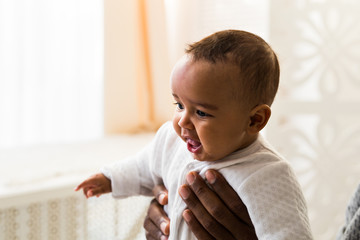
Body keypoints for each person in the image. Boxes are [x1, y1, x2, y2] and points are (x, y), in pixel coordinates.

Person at [75, 30, 313, 239]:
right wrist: (110, 178)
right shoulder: (171, 140)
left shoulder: (268, 176)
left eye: (201, 112)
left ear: (254, 120)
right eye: (179, 105)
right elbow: (144, 167)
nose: (183, 121)